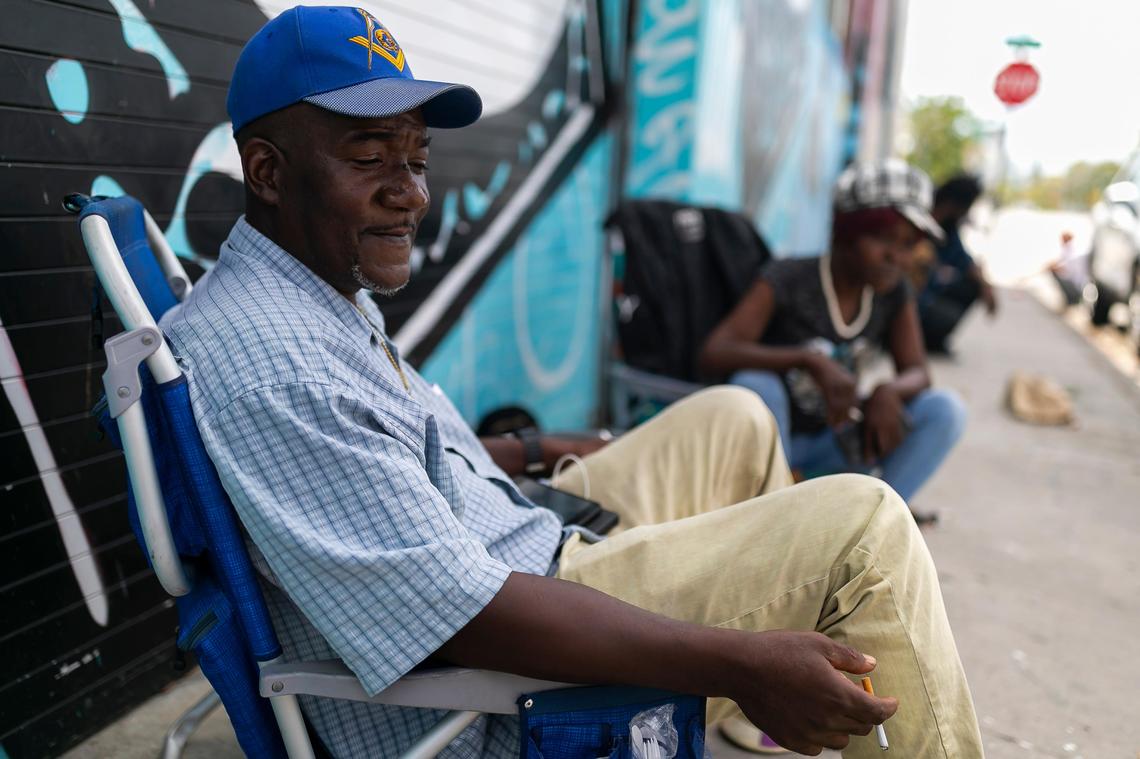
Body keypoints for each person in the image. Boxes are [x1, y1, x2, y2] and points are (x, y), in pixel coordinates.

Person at [162, 8, 984, 757]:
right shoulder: (274, 360)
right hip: (522, 625)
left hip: (525, 526)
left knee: (732, 415)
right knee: (864, 526)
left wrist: (534, 445)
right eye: (370, 158)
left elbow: (379, 456)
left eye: (415, 158)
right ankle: (769, 683)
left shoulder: (303, 291)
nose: (410, 193)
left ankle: (752, 710)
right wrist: (738, 660)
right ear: (266, 172)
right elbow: (467, 614)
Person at [701, 161, 966, 515]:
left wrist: (888, 391)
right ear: (846, 232)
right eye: (883, 238)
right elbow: (716, 351)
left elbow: (918, 370)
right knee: (756, 385)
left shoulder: (891, 291)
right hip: (774, 443)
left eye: (907, 244)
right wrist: (806, 359)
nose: (896, 257)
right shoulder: (789, 277)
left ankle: (868, 527)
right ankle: (764, 521)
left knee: (944, 410)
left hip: (837, 439)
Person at [917, 174, 997, 353]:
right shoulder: (918, 214)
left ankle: (930, 340)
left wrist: (986, 286)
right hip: (913, 298)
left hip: (926, 295)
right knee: (946, 317)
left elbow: (963, 260)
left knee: (971, 286)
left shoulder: (948, 228)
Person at [1048, 230, 1088, 307]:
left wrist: (1053, 268)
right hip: (1079, 284)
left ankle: (1071, 300)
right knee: (1055, 271)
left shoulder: (1072, 251)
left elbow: (1067, 270)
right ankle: (1071, 299)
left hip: (1077, 287)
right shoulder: (1070, 249)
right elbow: (1059, 261)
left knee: (1055, 272)